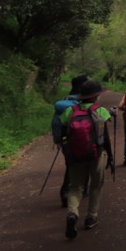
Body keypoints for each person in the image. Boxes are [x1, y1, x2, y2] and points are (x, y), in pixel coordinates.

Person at [60, 80, 114, 239]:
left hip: (76, 155)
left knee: (75, 186)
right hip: (97, 155)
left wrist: (67, 151)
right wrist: (110, 157)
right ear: (95, 96)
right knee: (96, 185)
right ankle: (91, 217)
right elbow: (105, 138)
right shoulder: (101, 112)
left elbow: (63, 133)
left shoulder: (70, 111)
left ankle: (72, 213)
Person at [51, 74, 88, 208]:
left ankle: (65, 192)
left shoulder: (65, 101)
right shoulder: (83, 101)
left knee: (70, 164)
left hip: (65, 139)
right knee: (86, 162)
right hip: (82, 138)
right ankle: (81, 190)